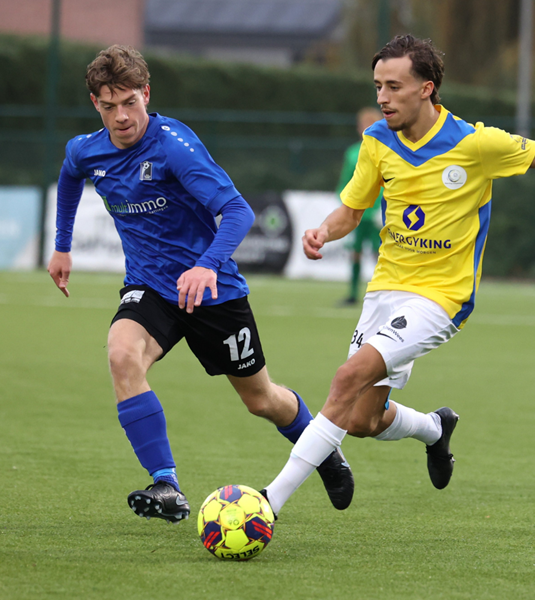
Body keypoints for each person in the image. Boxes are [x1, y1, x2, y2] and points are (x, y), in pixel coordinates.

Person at [260, 35, 535, 518]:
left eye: (394, 87)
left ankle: (269, 501)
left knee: (347, 377)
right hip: (386, 288)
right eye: (378, 86)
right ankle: (434, 428)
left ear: (426, 88)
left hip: (442, 297)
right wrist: (323, 232)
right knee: (361, 419)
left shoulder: (476, 144)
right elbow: (352, 211)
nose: (382, 98)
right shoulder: (376, 141)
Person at [46, 45, 353, 524]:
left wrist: (207, 265)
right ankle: (166, 485)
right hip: (150, 288)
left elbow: (238, 211)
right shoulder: (87, 150)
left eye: (129, 102)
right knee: (122, 355)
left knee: (261, 400)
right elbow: (69, 176)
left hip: (214, 293)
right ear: (95, 104)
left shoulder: (174, 146)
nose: (121, 116)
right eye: (109, 106)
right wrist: (62, 245)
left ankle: (324, 450)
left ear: (146, 94)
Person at [337, 107, 384, 306]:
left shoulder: (386, 150)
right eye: (363, 125)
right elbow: (345, 181)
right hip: (357, 213)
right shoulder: (352, 153)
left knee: (380, 254)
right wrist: (343, 203)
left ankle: (382, 294)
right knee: (355, 252)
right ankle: (353, 293)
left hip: (377, 213)